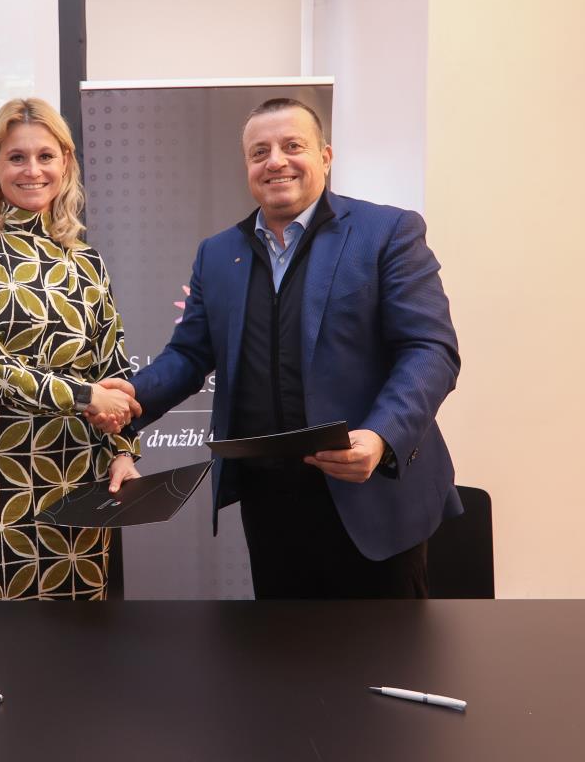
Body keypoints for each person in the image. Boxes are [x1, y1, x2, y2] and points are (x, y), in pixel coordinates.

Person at [90, 98, 461, 599]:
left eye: (293, 146)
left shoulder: (387, 232)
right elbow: (190, 355)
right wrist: (134, 395)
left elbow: (430, 349)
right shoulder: (218, 253)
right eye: (259, 152)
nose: (276, 161)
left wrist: (380, 436)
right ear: (247, 165)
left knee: (385, 645)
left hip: (374, 494)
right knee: (280, 646)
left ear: (325, 156)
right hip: (271, 504)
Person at [0, 97, 141, 600]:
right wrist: (85, 396)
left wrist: (123, 450)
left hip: (78, 474)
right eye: (17, 157)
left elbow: (112, 366)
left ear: (65, 162)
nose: (32, 170)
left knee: (78, 632)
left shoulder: (87, 262)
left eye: (46, 156)